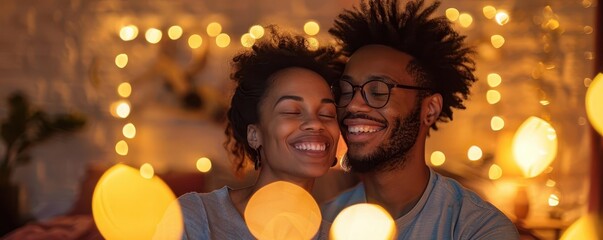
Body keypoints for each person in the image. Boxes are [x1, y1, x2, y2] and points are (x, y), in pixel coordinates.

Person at [320, 0, 520, 239]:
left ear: (430, 109)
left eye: (378, 90)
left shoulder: (477, 228)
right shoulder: (322, 223)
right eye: (346, 90)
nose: (352, 104)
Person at [153, 27, 342, 239]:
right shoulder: (196, 217)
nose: (316, 123)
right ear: (254, 135)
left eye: (327, 113)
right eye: (292, 111)